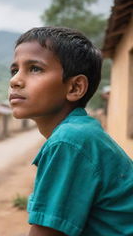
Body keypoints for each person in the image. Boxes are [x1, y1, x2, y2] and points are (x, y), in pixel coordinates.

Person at [8, 26, 133, 236]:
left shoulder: (70, 141)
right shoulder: (79, 133)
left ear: (75, 88)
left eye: (35, 68)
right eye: (14, 70)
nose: (15, 80)